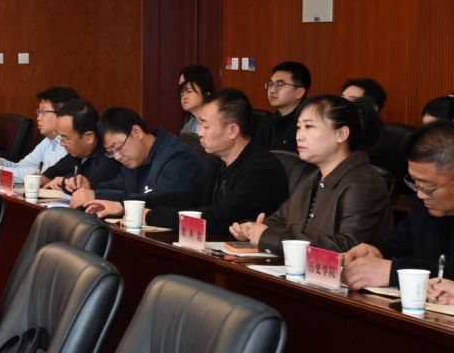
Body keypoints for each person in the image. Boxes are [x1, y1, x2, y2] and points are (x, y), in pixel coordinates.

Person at [231, 95, 392, 254]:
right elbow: (280, 220)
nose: (299, 136)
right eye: (298, 127)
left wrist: (267, 235)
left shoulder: (364, 183)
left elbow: (346, 248)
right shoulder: (312, 177)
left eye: (309, 127)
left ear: (341, 134)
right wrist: (252, 229)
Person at [341, 123, 454, 297]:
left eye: (428, 187)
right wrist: (378, 252)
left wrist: (394, 272)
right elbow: (400, 243)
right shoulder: (423, 203)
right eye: (415, 182)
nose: (420, 194)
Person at [146, 88, 291, 229]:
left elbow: (219, 217)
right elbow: (190, 197)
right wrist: (141, 202)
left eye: (206, 126)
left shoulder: (262, 169)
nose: (200, 133)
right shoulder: (218, 161)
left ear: (232, 130)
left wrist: (152, 217)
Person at [71, 107, 206, 217]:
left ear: (137, 132)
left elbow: (161, 199)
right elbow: (119, 186)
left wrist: (98, 195)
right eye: (111, 152)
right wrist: (90, 186)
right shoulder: (136, 158)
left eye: (118, 147)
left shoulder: (178, 157)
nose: (117, 156)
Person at [0, 86, 75, 186]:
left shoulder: (68, 143)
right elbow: (23, 166)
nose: (39, 117)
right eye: (38, 112)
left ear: (62, 114)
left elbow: (42, 175)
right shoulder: (48, 141)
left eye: (43, 112)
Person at [41, 101, 120, 192]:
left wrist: (64, 182)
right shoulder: (77, 154)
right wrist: (36, 181)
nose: (62, 143)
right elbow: (50, 174)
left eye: (66, 138)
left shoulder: (108, 159)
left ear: (89, 137)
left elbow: (83, 187)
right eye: (60, 137)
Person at [257, 61, 312, 152]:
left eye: (280, 85)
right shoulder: (267, 122)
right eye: (271, 84)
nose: (272, 90)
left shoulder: (309, 124)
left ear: (299, 92)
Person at [176, 65, 217, 131]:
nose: (183, 94)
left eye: (189, 91)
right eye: (182, 91)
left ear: (206, 92)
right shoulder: (188, 127)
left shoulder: (220, 121)